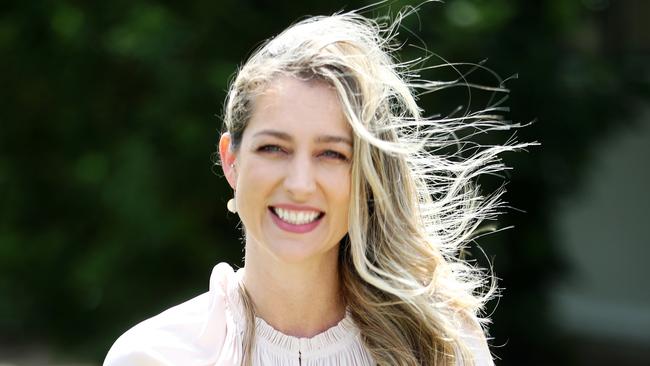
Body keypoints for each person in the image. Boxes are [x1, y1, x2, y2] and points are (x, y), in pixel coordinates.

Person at [105, 7, 525, 366]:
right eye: (274, 148)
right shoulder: (155, 356)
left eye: (331, 154)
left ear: (364, 177)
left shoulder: (442, 345)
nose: (301, 184)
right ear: (231, 160)